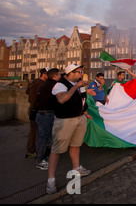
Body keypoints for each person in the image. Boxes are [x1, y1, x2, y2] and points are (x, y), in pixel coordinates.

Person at [46, 64, 92, 194]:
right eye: (79, 72)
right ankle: (51, 180)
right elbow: (62, 99)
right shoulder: (60, 85)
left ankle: (76, 168)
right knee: (57, 149)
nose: (81, 74)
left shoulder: (78, 84)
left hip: (79, 118)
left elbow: (82, 100)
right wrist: (76, 87)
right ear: (71, 73)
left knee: (75, 145)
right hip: (65, 121)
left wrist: (85, 111)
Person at [34, 68, 61, 170]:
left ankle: (43, 157)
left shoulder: (44, 85)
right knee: (44, 137)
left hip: (41, 113)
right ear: (55, 76)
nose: (59, 76)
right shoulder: (54, 85)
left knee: (43, 137)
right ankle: (40, 160)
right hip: (47, 113)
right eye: (59, 75)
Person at [25, 68, 49, 158]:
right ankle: (39, 153)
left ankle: (30, 150)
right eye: (48, 74)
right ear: (44, 74)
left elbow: (27, 92)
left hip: (32, 109)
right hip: (39, 110)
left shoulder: (33, 82)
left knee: (33, 131)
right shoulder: (42, 85)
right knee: (40, 133)